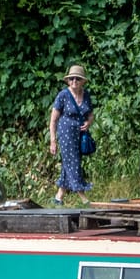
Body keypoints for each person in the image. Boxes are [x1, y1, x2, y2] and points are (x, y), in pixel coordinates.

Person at [49, 65, 94, 205]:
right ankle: (83, 198)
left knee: (70, 163)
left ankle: (58, 197)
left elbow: (91, 114)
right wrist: (53, 140)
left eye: (77, 78)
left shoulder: (86, 95)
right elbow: (53, 120)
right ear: (68, 81)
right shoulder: (63, 95)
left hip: (80, 134)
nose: (74, 81)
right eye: (72, 78)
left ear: (82, 81)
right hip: (66, 133)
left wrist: (88, 123)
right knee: (73, 163)